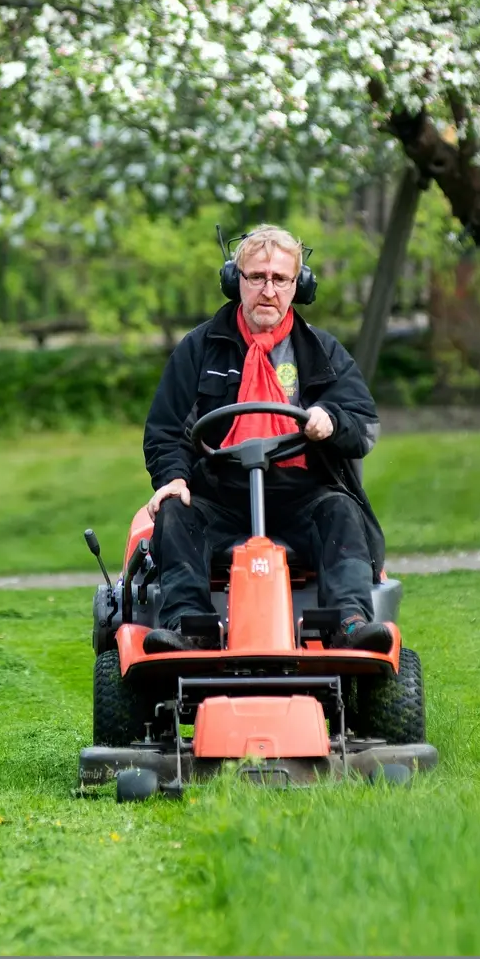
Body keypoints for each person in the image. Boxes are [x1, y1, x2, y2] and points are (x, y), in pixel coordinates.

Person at [141, 224, 391, 655]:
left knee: (341, 509)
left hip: (302, 495)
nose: (268, 290)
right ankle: (188, 626)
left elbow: (364, 424)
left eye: (280, 279)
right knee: (174, 513)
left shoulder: (322, 353)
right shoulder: (199, 349)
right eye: (257, 277)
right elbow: (164, 430)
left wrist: (330, 420)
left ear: (299, 285)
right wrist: (174, 478)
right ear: (235, 280)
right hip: (220, 495)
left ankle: (348, 622)